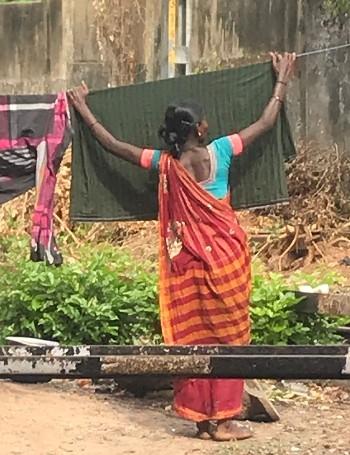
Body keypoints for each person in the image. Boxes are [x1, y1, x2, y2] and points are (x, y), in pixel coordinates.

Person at [68, 52, 296, 442]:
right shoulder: (221, 151)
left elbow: (113, 145)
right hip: (226, 263)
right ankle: (223, 422)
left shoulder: (164, 164)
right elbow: (265, 122)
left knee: (194, 338)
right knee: (228, 338)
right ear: (201, 130)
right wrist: (282, 80)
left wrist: (84, 109)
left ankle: (203, 420)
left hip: (187, 265)